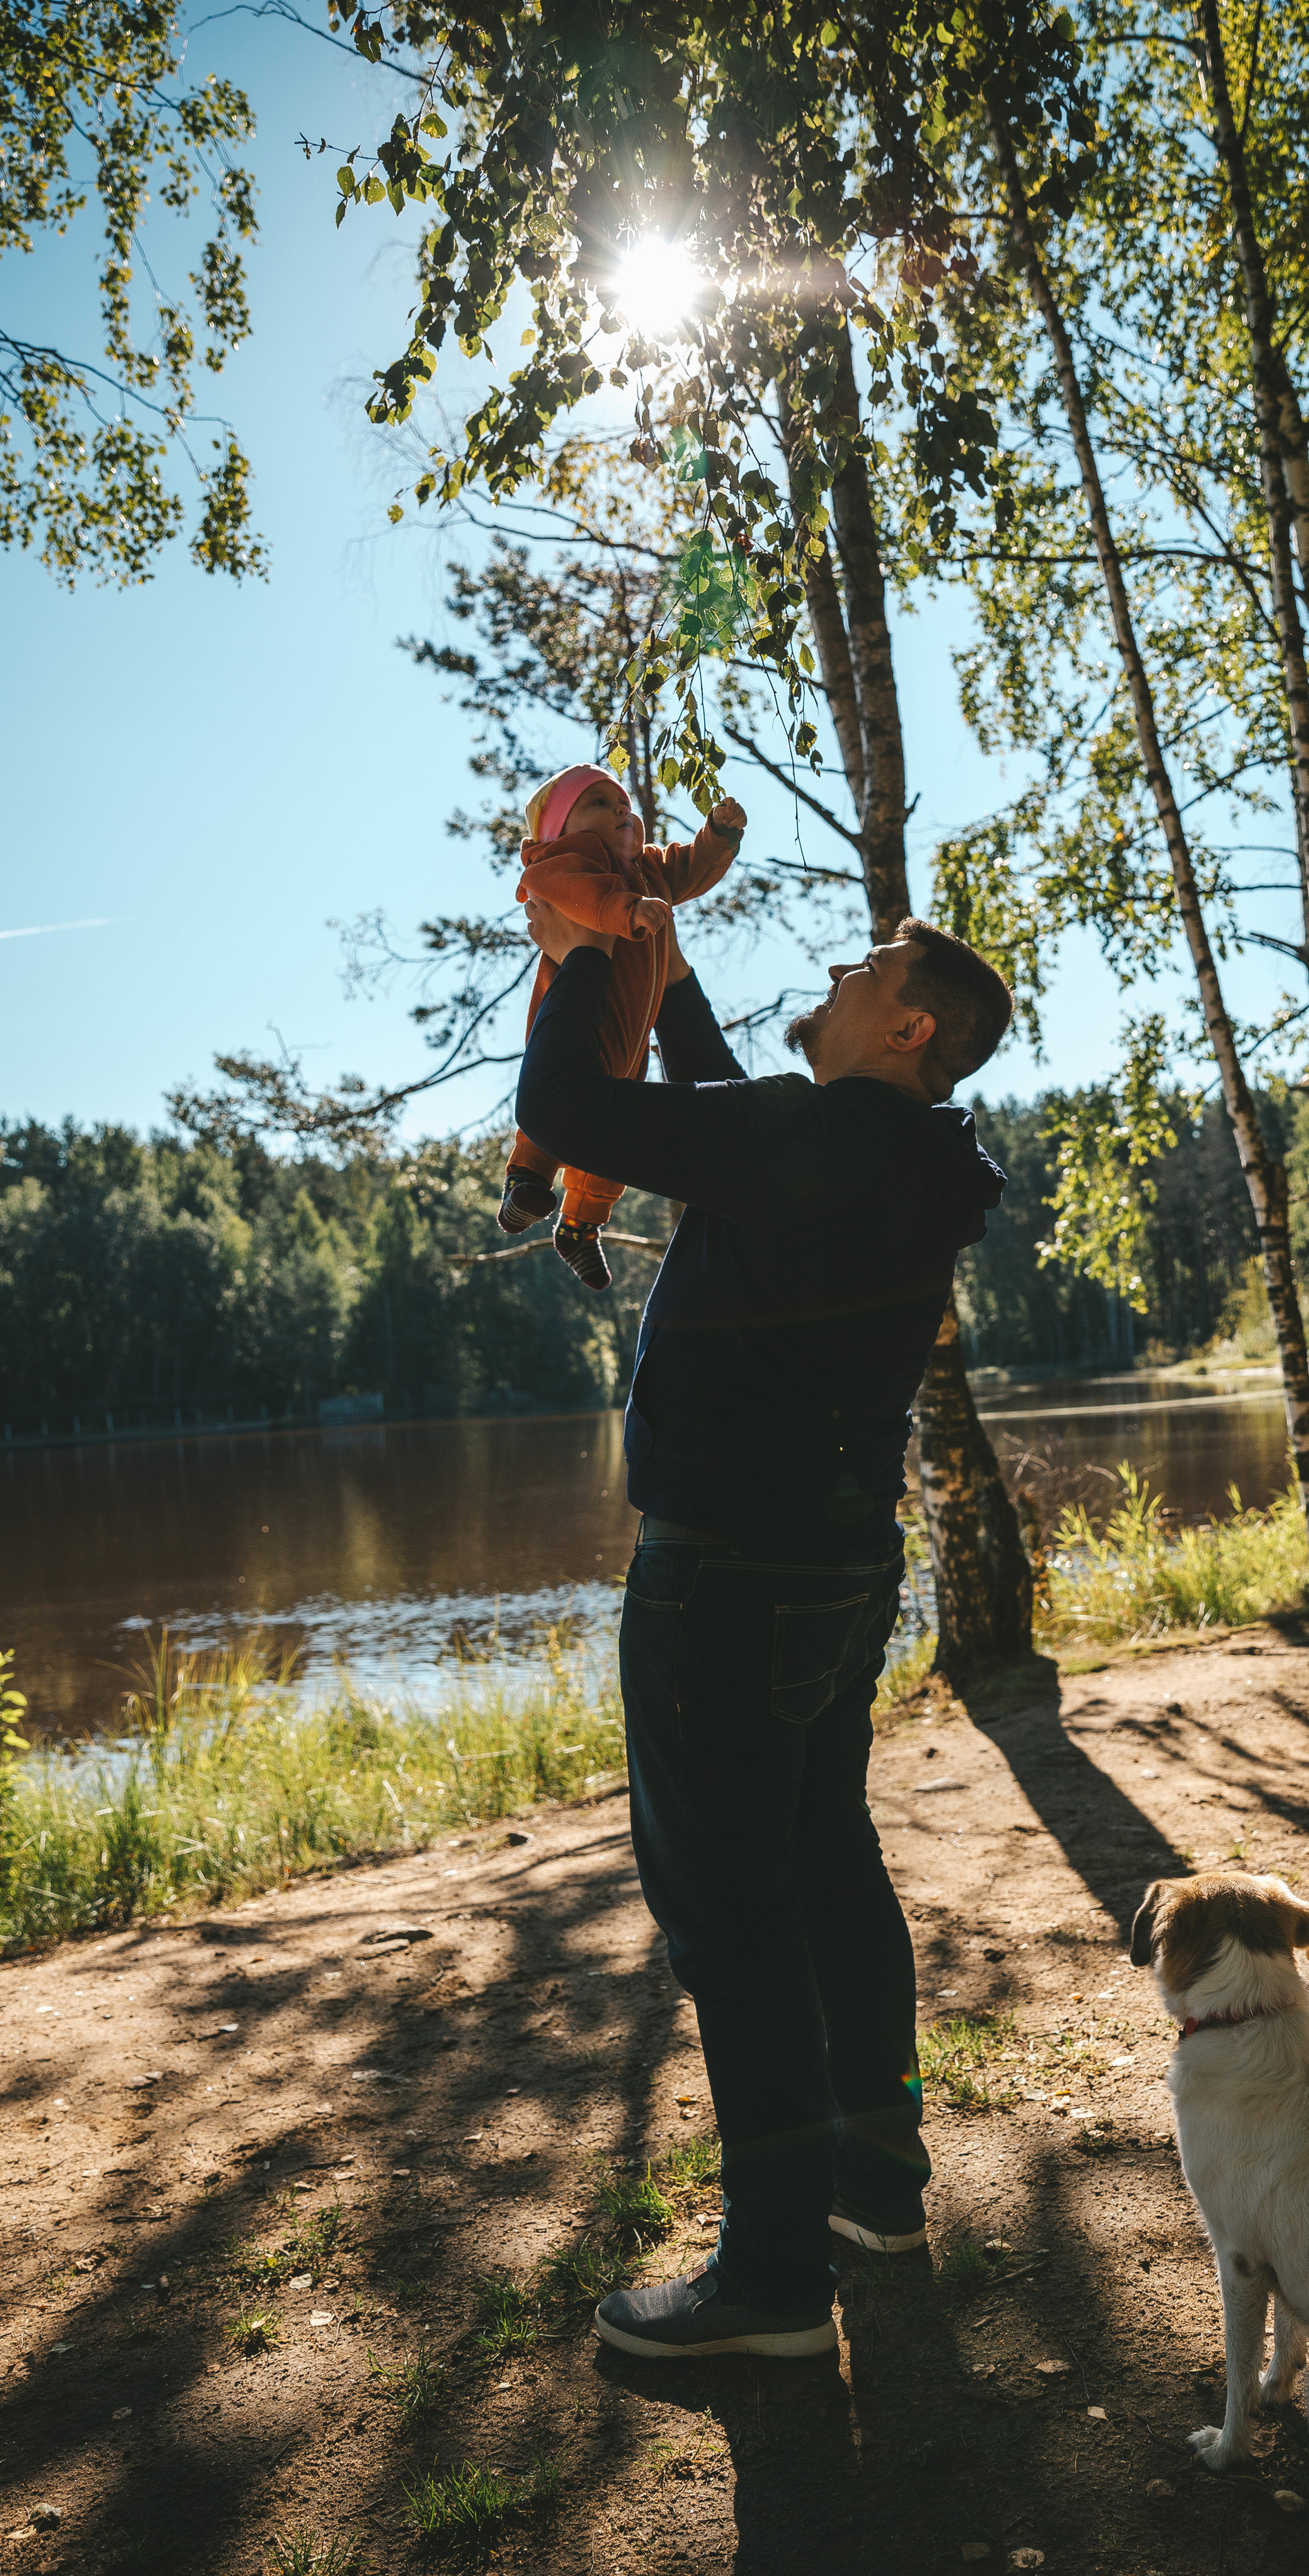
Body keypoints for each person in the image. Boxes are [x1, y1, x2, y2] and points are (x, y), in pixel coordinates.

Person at [514, 879, 1015, 2359]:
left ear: (906, 1023)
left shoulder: (798, 1139)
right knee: (826, 1871)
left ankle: (774, 2284)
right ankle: (874, 2191)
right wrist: (664, 980)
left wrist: (593, 942)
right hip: (835, 1568)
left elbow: (568, 1105)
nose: (842, 971)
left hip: (725, 1579)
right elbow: (730, 1114)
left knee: (733, 1926)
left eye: (866, 969)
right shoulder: (906, 1155)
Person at [498, 764, 748, 1287]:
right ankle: (525, 1181)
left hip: (635, 1036)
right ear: (559, 831)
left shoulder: (649, 871)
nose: (621, 811)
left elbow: (689, 869)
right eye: (597, 804)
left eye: (622, 803)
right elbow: (565, 888)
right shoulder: (570, 860)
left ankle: (580, 1230)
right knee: (561, 1102)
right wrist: (623, 910)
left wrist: (717, 838)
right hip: (578, 1014)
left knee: (609, 1140)